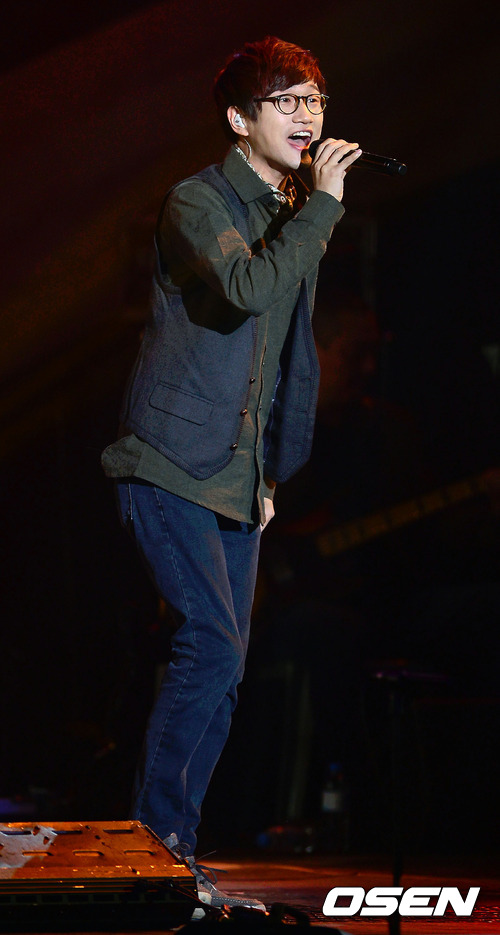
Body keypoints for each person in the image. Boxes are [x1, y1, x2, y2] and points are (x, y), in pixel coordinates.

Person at [101, 35, 361, 909]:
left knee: (227, 664)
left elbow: (287, 356)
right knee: (210, 644)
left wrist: (272, 472)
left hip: (237, 478)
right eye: (287, 101)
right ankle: (155, 849)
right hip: (166, 462)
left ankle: (174, 856)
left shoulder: (294, 210)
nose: (307, 115)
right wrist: (324, 210)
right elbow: (247, 289)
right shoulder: (196, 200)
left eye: (315, 99)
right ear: (240, 121)